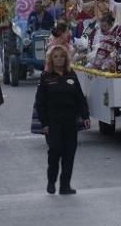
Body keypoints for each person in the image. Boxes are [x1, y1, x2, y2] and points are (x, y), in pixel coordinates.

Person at [34, 44, 90, 194]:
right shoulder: (46, 77)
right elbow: (40, 102)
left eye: (62, 56)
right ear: (51, 59)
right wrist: (44, 123)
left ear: (66, 58)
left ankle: (65, 185)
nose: (59, 59)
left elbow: (80, 97)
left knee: (69, 153)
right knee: (55, 150)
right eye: (56, 56)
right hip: (53, 121)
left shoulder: (71, 75)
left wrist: (85, 116)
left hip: (70, 120)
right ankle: (51, 181)